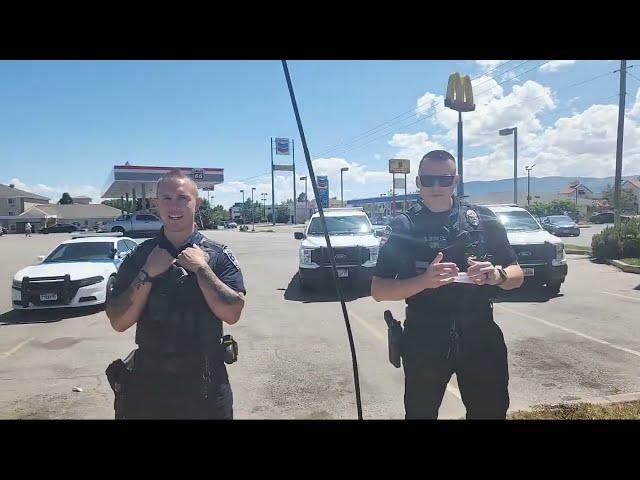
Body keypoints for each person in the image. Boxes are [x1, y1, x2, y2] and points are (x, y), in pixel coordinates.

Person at [371, 150, 524, 419]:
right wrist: (424, 281)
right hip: (425, 338)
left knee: (490, 413)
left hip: (480, 336)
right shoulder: (402, 227)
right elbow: (379, 290)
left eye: (444, 179)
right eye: (428, 180)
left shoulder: (483, 220)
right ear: (418, 182)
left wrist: (497, 275)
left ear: (456, 180)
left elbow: (517, 274)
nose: (436, 187)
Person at [105, 169, 246, 419]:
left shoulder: (218, 255)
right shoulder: (140, 256)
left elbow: (233, 312)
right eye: (166, 198)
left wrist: (202, 269)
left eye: (182, 198)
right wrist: (148, 272)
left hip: (206, 385)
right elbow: (118, 321)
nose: (174, 206)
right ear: (156, 204)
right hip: (149, 386)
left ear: (197, 203)